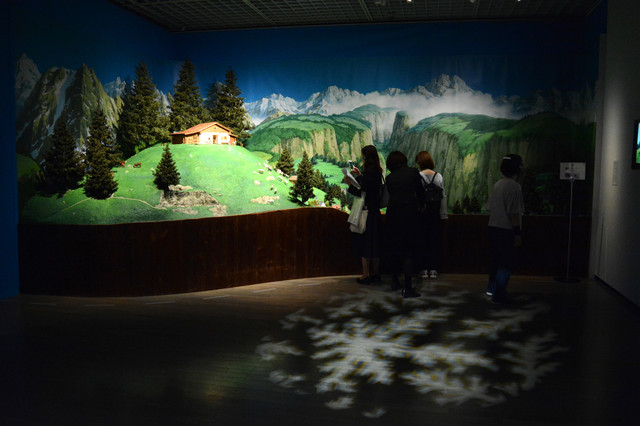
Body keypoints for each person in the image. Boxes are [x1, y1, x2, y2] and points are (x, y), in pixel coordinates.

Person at [384, 150, 426, 298]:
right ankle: (407, 288)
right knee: (408, 251)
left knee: (395, 249)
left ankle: (395, 281)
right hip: (409, 214)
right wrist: (422, 204)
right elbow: (420, 192)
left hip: (393, 215)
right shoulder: (413, 172)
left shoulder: (389, 178)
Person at [485, 154, 525, 304]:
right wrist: (517, 233)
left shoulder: (497, 184)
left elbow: (489, 207)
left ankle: (491, 288)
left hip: (493, 227)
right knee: (505, 263)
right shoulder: (515, 187)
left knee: (495, 260)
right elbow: (514, 213)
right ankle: (499, 294)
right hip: (506, 229)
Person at [345, 145, 383, 284]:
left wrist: (350, 185)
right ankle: (376, 274)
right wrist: (359, 175)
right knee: (376, 244)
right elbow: (369, 188)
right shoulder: (377, 171)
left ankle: (366, 274)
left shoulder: (369, 173)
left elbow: (362, 194)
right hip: (375, 212)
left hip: (367, 213)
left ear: (366, 157)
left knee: (365, 244)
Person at [416, 151, 448, 279]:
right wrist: (443, 214)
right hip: (435, 213)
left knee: (422, 240)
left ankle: (423, 270)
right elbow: (443, 196)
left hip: (422, 213)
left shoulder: (418, 176)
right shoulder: (438, 176)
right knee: (434, 241)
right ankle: (433, 270)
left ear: (420, 162)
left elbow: (417, 196)